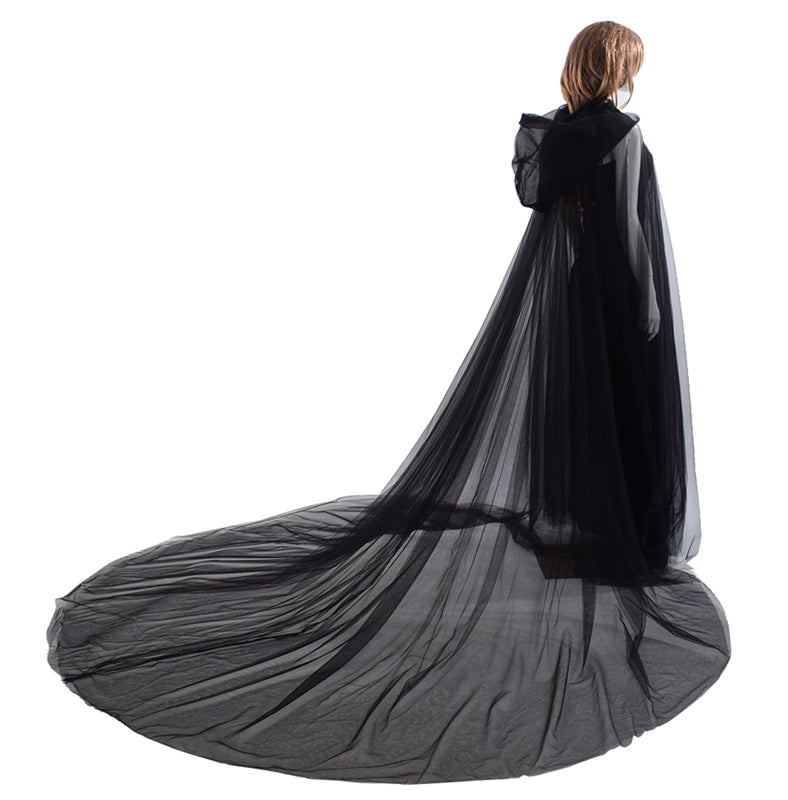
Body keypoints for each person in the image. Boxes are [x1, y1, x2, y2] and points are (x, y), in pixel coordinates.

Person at [47, 21, 730, 784]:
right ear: (621, 65)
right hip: (614, 299)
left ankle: (584, 525)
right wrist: (648, 308)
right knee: (621, 412)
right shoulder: (623, 135)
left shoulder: (555, 134)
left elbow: (557, 216)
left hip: (571, 297)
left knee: (578, 414)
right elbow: (632, 233)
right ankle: (619, 535)